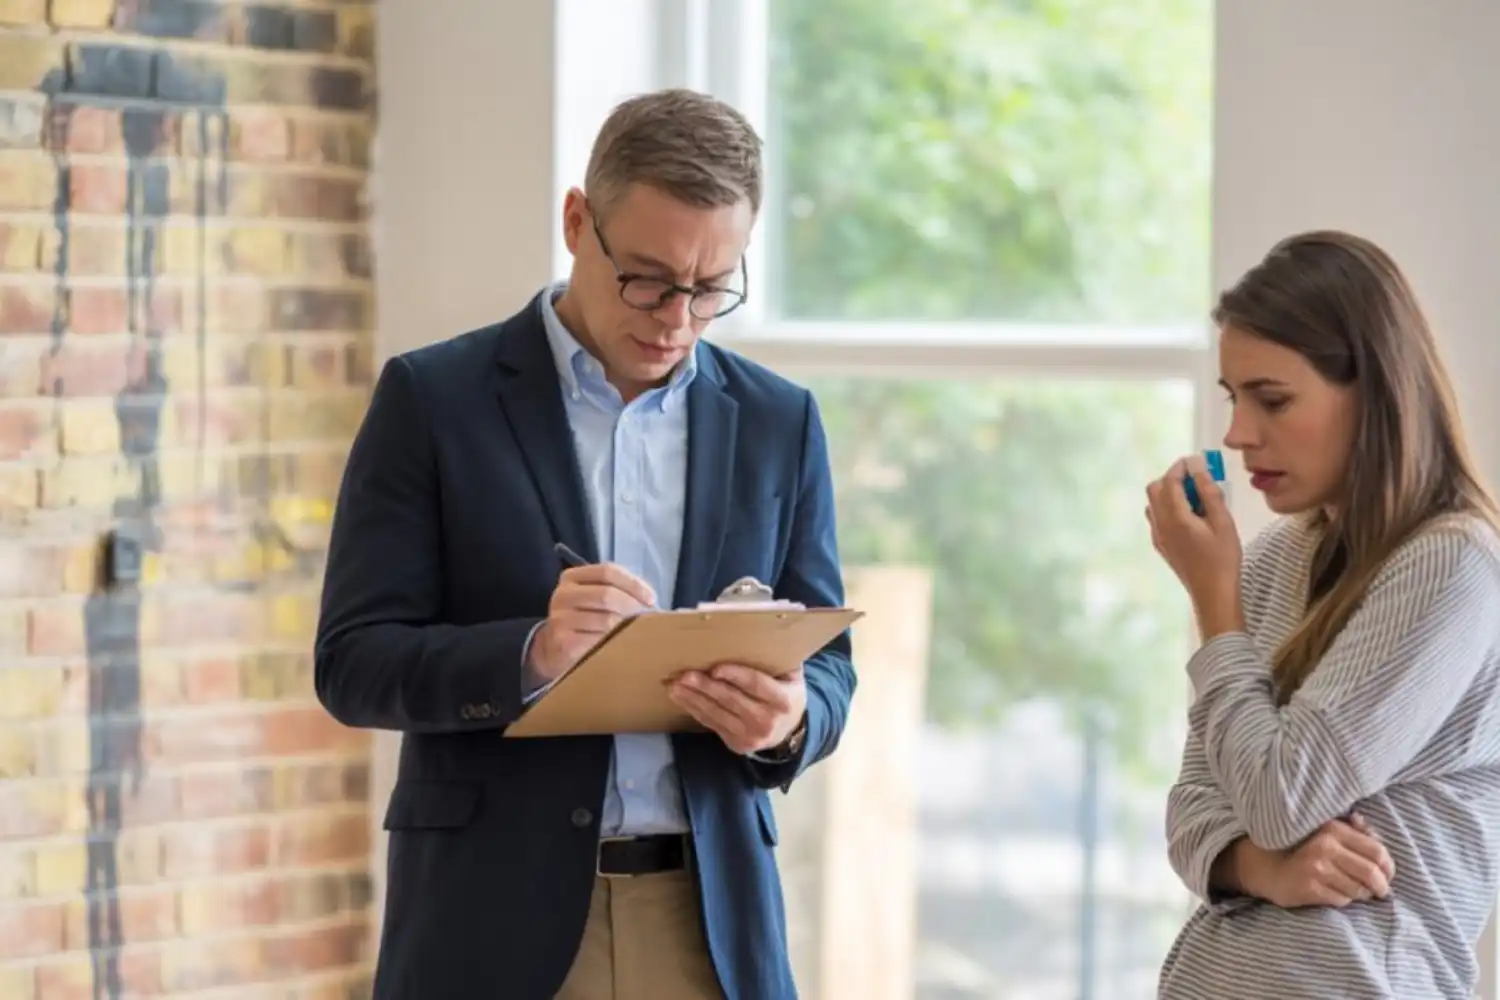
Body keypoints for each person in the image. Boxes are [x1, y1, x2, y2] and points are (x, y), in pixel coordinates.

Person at [314, 88, 856, 1000]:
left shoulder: (779, 421)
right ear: (577, 222)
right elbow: (352, 663)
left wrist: (790, 721)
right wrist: (530, 653)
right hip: (488, 921)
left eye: (712, 287)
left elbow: (831, 664)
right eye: (646, 278)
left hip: (710, 921)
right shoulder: (433, 400)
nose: (676, 317)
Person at [1144, 229, 1500, 999]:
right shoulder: (1275, 559)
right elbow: (1190, 809)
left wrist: (1215, 604)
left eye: (1271, 399)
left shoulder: (1451, 566)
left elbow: (1280, 796)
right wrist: (1259, 868)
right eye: (1233, 398)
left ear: (1373, 388)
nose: (1238, 434)